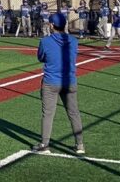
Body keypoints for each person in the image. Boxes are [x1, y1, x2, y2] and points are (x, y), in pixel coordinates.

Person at [32, 13, 85, 155]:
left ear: (51, 25)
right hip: (69, 81)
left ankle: (44, 145)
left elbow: (41, 57)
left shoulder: (45, 41)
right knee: (74, 113)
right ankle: (80, 145)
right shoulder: (73, 41)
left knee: (48, 114)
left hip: (51, 82)